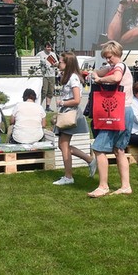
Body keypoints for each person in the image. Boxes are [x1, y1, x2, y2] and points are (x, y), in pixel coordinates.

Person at [87, 40, 133, 198]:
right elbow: (99, 71)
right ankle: (126, 186)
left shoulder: (119, 67)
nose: (108, 60)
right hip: (126, 112)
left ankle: (103, 186)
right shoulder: (114, 67)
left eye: (110, 56)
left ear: (117, 54)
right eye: (106, 57)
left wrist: (99, 80)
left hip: (116, 113)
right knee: (119, 150)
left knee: (99, 148)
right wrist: (95, 74)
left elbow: (115, 78)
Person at [52, 52, 95, 186]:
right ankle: (89, 160)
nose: (59, 63)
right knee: (62, 145)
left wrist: (62, 103)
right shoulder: (70, 76)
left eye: (61, 62)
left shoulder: (73, 78)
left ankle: (68, 176)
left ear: (68, 63)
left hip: (70, 112)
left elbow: (77, 100)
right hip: (67, 112)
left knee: (63, 145)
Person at [35, 44, 58, 110]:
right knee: (44, 91)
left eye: (50, 47)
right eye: (47, 47)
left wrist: (55, 64)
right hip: (44, 75)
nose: (49, 49)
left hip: (52, 74)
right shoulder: (40, 54)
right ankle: (38, 105)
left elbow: (57, 63)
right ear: (44, 47)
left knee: (50, 91)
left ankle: (48, 106)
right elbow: (35, 62)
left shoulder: (53, 54)